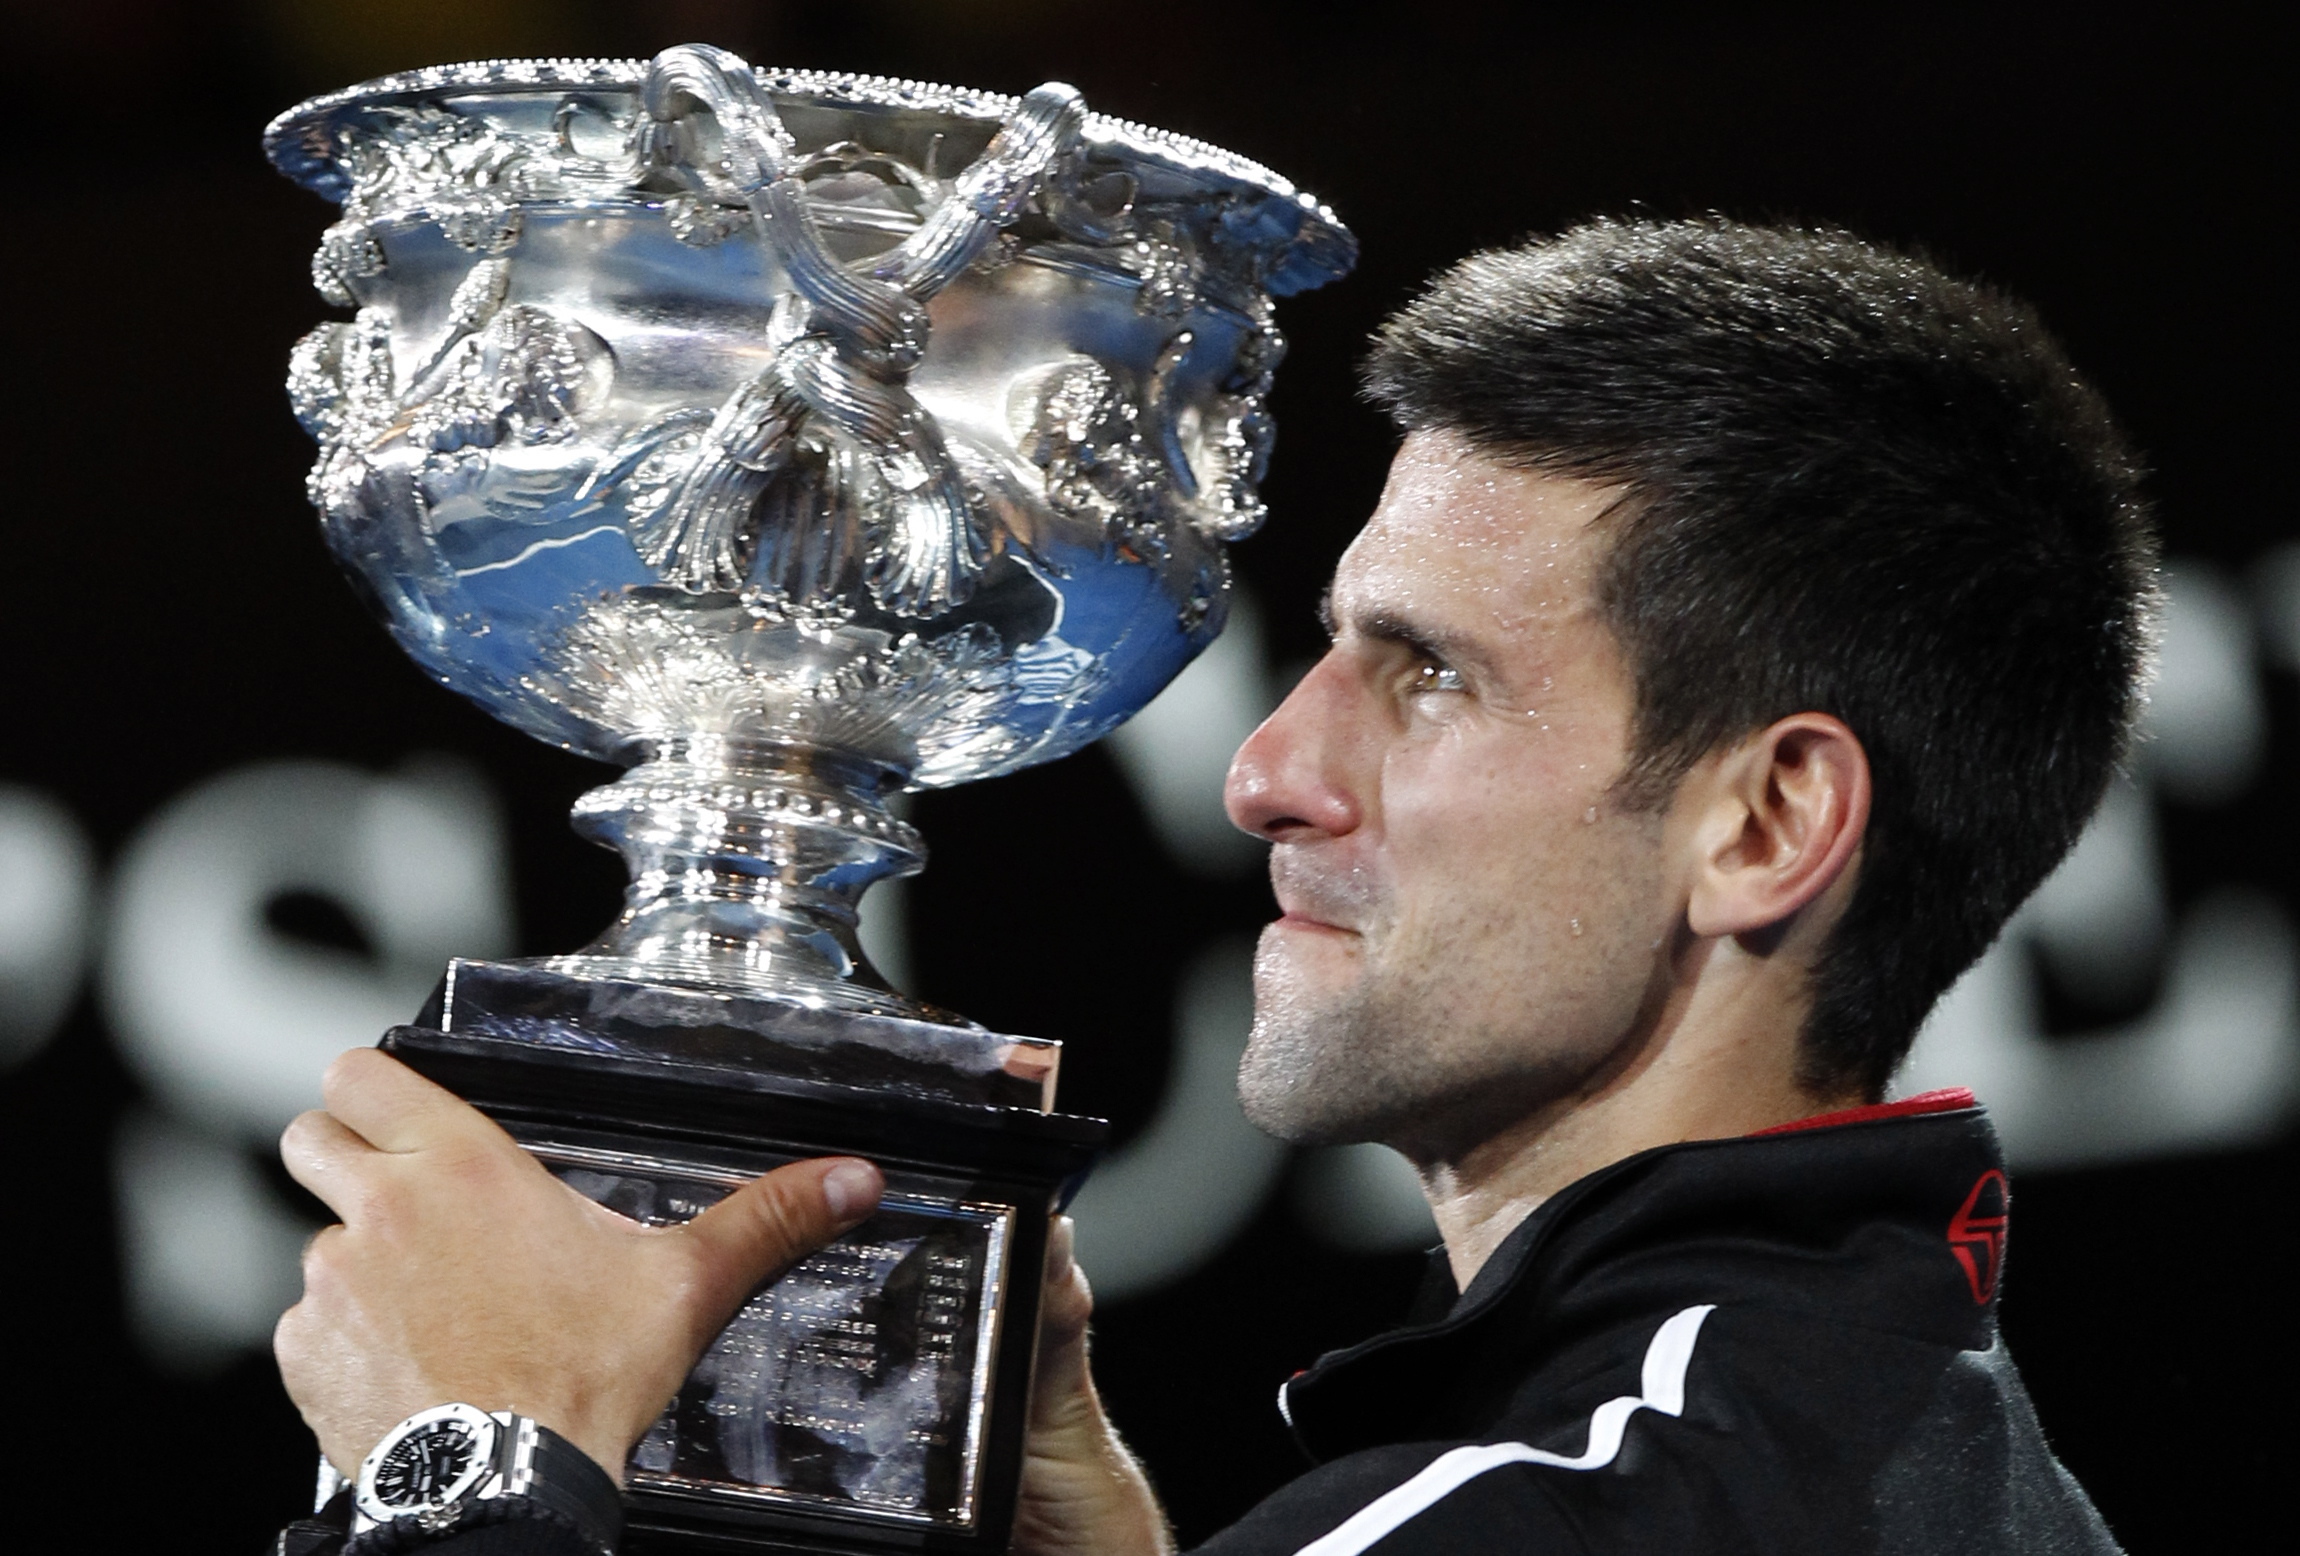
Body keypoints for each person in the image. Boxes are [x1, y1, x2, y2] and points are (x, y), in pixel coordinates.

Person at [273, 217, 2149, 1555]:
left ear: (1765, 823)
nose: (1270, 777)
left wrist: (470, 1469)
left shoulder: (1596, 1502)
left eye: (1432, 676)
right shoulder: (1916, 1452)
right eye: (1327, 653)